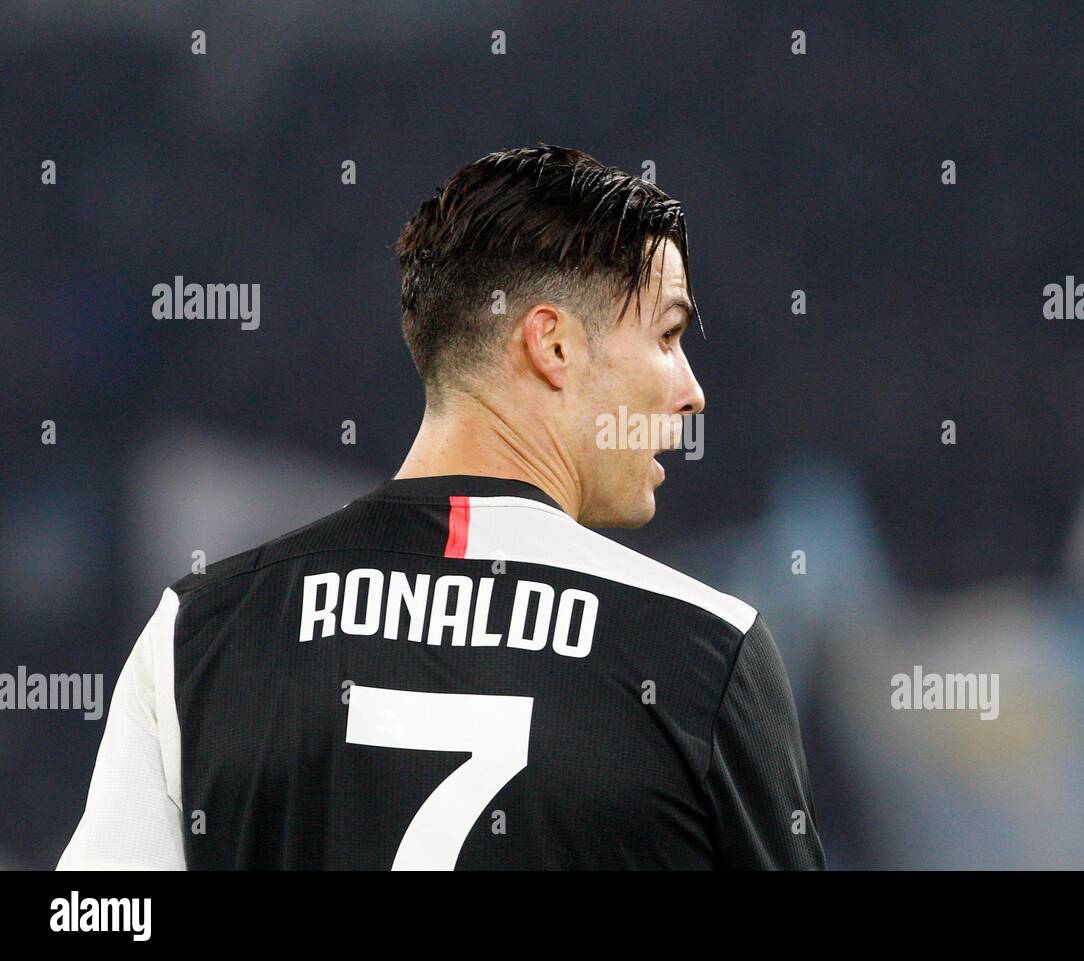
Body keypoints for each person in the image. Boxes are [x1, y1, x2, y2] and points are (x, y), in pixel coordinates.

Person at [58, 144, 825, 870]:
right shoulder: (702, 654)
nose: (691, 390)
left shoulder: (201, 633)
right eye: (668, 335)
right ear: (552, 345)